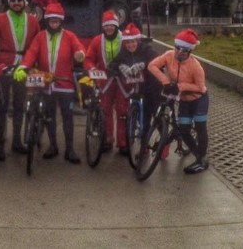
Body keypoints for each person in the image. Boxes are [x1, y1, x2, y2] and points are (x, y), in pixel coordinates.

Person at [14, 3, 86, 164]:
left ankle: (69, 148)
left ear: (61, 22)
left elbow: (79, 48)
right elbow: (32, 53)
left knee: (68, 117)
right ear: (47, 21)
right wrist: (24, 66)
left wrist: (80, 54)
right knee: (49, 116)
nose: (54, 24)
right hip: (46, 83)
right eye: (51, 21)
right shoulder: (40, 37)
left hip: (65, 83)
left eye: (57, 21)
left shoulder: (69, 36)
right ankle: (53, 146)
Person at [0, 0, 41, 157]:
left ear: (24, 3)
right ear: (9, 3)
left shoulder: (32, 21)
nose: (16, 4)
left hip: (24, 66)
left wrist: (37, 65)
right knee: (2, 105)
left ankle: (17, 141)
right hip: (4, 65)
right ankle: (0, 143)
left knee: (19, 104)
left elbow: (38, 44)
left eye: (19, 1)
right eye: (13, 1)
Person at [148, 29, 209, 174]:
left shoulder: (196, 66)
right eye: (177, 48)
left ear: (189, 51)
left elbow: (200, 88)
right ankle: (197, 155)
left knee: (200, 127)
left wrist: (180, 86)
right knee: (184, 130)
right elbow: (152, 66)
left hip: (199, 99)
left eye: (185, 50)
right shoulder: (169, 55)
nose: (180, 52)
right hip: (184, 100)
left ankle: (202, 160)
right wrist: (166, 82)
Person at [106, 23, 160, 155]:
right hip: (136, 88)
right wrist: (119, 68)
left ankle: (163, 145)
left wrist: (144, 65)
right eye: (128, 42)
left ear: (138, 40)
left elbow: (158, 61)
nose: (130, 45)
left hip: (151, 87)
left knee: (154, 115)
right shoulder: (124, 52)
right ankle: (143, 147)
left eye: (133, 42)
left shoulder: (147, 50)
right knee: (141, 118)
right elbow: (112, 64)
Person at [83, 10, 125, 153]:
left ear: (116, 26)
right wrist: (92, 69)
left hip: (122, 81)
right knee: (105, 110)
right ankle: (107, 139)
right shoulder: (97, 41)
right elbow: (88, 59)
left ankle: (123, 142)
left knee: (122, 111)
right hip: (105, 80)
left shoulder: (124, 39)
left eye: (112, 25)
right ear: (103, 27)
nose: (109, 28)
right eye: (106, 26)